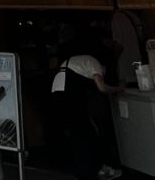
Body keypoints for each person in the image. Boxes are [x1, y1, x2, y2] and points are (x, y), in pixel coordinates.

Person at [51, 39, 122, 180]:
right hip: (70, 94)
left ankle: (83, 171)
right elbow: (101, 87)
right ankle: (89, 173)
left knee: (75, 133)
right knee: (83, 133)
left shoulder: (78, 61)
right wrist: (118, 88)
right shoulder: (94, 63)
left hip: (57, 91)